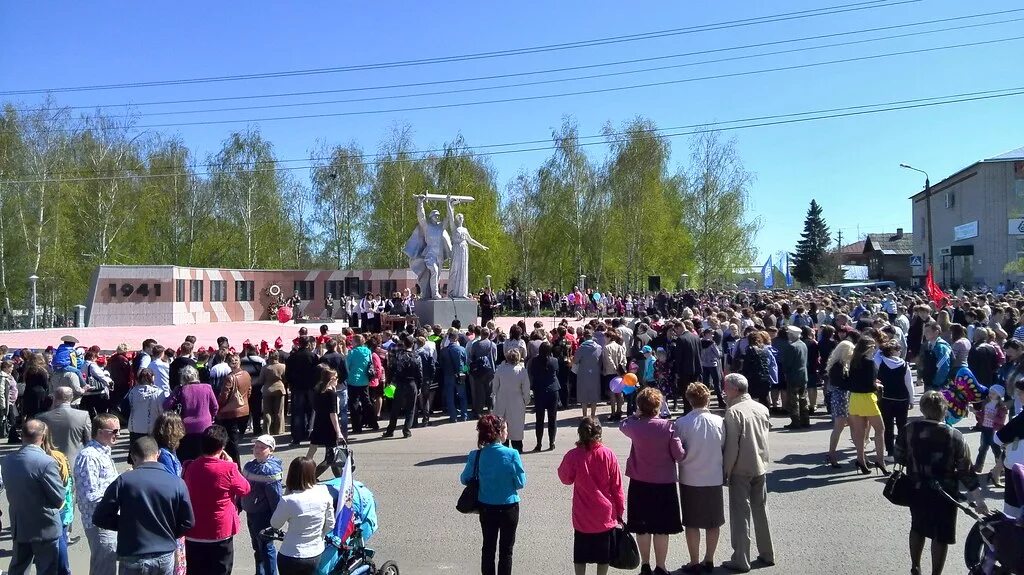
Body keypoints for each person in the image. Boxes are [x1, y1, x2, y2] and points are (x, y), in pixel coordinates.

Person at [895, 390, 985, 575]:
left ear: (923, 408)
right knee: (941, 535)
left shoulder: (909, 429)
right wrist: (979, 501)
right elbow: (966, 472)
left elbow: (899, 456)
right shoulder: (955, 436)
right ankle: (936, 573)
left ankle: (916, 566)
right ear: (945, 409)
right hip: (945, 493)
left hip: (916, 488)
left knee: (917, 527)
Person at [92, 436, 195, 575]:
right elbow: (188, 522)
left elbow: (100, 517)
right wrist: (168, 530)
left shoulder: (123, 481)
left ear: (133, 457)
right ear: (158, 454)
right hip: (165, 554)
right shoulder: (177, 482)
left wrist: (124, 526)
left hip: (133, 555)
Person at [620, 387, 685, 575]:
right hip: (664, 483)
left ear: (640, 406)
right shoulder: (668, 426)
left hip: (640, 482)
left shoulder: (634, 426)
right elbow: (679, 455)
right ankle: (661, 566)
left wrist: (637, 414)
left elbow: (623, 424)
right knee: (662, 528)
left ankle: (645, 564)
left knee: (642, 527)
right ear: (658, 406)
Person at [460, 415, 527, 575]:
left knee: (488, 549)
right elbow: (521, 483)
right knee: (506, 551)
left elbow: (464, 479)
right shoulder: (512, 454)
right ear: (498, 432)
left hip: (486, 507)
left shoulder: (476, 455)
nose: (507, 432)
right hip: (509, 507)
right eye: (505, 429)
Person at [721, 374, 774, 573]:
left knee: (740, 515)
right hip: (760, 464)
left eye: (726, 387)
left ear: (734, 389)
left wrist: (726, 471)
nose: (724, 391)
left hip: (740, 469)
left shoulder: (734, 412)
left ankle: (741, 559)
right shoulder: (762, 408)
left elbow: (732, 447)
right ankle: (767, 553)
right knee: (761, 510)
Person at [557, 417, 625, 575]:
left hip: (582, 515)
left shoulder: (573, 455)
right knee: (604, 556)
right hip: (604, 515)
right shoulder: (608, 455)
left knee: (580, 555)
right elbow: (617, 487)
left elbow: (565, 478)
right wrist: (620, 511)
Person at [182, 425, 251, 575]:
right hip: (220, 532)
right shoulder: (228, 468)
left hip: (194, 532)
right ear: (222, 446)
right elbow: (245, 489)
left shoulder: (189, 467)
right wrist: (232, 464)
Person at [1, 420, 66, 575]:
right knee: (47, 569)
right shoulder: (46, 462)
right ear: (43, 437)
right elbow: (59, 498)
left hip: (20, 524)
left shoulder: (7, 460)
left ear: (22, 435)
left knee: (18, 568)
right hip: (45, 527)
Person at [673, 383, 726, 573]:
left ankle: (694, 561)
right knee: (713, 522)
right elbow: (723, 445)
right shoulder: (719, 421)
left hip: (690, 477)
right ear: (708, 399)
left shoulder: (682, 423)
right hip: (713, 476)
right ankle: (709, 559)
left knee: (692, 522)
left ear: (689, 400)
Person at [74, 413, 122, 575]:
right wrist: (119, 500)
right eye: (114, 431)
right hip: (100, 523)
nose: (118, 435)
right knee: (104, 568)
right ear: (100, 432)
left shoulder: (103, 452)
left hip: (108, 519)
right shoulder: (89, 456)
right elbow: (90, 495)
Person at [270, 457, 336, 575]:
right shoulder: (324, 491)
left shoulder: (288, 500)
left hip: (291, 553)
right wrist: (319, 536)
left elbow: (275, 524)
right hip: (315, 552)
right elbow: (330, 524)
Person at [242, 435, 284, 575]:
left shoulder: (271, 471)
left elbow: (275, 498)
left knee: (266, 547)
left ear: (271, 450)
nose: (258, 450)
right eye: (256, 446)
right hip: (251, 512)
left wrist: (276, 519)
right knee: (257, 547)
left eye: (262, 447)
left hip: (263, 515)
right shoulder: (249, 465)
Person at [847, 337, 888, 475]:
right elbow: (871, 384)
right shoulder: (870, 363)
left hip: (854, 398)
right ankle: (880, 460)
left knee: (860, 432)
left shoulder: (853, 361)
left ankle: (861, 459)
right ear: (869, 348)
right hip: (867, 398)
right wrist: (877, 384)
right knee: (880, 429)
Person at [164, 365, 218, 463]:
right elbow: (215, 407)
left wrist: (175, 391)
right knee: (203, 458)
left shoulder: (180, 390)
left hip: (185, 429)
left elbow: (166, 405)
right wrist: (212, 418)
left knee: (186, 459)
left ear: (183, 378)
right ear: (196, 376)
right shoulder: (207, 387)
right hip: (205, 427)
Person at [41, 426, 74, 575]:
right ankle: (63, 570)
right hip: (60, 503)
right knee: (60, 537)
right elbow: (67, 481)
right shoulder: (58, 456)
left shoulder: (35, 458)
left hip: (42, 506)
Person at [877, 339, 915, 461]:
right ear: (895, 351)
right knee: (902, 426)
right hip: (902, 398)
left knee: (887, 426)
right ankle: (904, 450)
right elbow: (909, 384)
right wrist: (912, 399)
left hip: (885, 398)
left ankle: (890, 452)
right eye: (899, 349)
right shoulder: (904, 365)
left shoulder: (880, 362)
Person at [37, 385, 91, 464]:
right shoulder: (83, 415)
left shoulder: (41, 418)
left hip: (48, 462)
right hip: (75, 462)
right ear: (71, 398)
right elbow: (88, 441)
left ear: (54, 397)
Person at [306, 365, 344, 478]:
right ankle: (314, 476)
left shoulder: (318, 390)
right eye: (336, 378)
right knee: (331, 455)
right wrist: (338, 432)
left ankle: (304, 473)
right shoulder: (331, 394)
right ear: (332, 379)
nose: (338, 380)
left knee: (312, 451)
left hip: (318, 424)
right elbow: (333, 414)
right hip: (329, 426)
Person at [383, 334, 423, 439]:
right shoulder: (417, 356)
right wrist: (419, 386)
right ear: (413, 344)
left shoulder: (398, 356)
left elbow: (391, 369)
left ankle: (390, 430)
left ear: (404, 344)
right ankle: (406, 430)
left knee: (395, 408)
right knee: (410, 408)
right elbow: (420, 373)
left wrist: (390, 382)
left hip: (400, 383)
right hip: (412, 383)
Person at [216, 353, 252, 467]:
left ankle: (235, 466)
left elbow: (223, 397)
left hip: (231, 413)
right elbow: (249, 391)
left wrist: (218, 407)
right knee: (236, 439)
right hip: (244, 410)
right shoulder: (246, 374)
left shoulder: (229, 377)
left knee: (232, 443)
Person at [492, 348, 531, 453]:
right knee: (516, 428)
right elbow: (526, 389)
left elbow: (495, 386)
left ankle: (504, 450)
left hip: (502, 401)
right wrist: (526, 401)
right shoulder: (522, 371)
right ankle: (517, 450)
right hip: (517, 402)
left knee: (502, 427)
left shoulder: (500, 369)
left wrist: (494, 398)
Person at [824, 341, 854, 468]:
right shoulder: (838, 366)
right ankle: (831, 453)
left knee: (852, 426)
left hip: (843, 397)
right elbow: (842, 384)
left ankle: (860, 454)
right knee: (839, 427)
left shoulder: (840, 364)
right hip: (840, 398)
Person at [286, 337, 320, 445]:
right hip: (310, 387)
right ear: (308, 344)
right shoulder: (313, 356)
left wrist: (291, 384)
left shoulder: (292, 357)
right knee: (312, 411)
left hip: (297, 387)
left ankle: (297, 437)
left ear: (299, 344)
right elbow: (317, 372)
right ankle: (312, 434)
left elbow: (287, 374)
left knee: (297, 413)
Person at [529, 341, 562, 451]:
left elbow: (532, 373)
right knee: (552, 419)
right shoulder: (554, 361)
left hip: (540, 391)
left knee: (539, 419)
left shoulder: (534, 361)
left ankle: (539, 444)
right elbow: (557, 372)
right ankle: (552, 442)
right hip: (553, 390)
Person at [124, 368, 169, 446]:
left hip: (134, 429)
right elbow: (162, 412)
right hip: (152, 429)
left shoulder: (132, 392)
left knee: (135, 453)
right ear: (152, 378)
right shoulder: (158, 393)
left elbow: (126, 409)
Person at [777, 326, 810, 429]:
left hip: (793, 376)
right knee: (803, 398)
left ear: (791, 335)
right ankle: (805, 420)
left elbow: (787, 364)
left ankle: (795, 421)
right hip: (803, 375)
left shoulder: (792, 347)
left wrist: (785, 372)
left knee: (793, 400)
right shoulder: (803, 344)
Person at [344, 334, 375, 434]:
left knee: (354, 404)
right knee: (366, 401)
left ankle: (357, 427)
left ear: (356, 342)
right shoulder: (368, 351)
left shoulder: (352, 352)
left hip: (353, 380)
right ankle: (372, 422)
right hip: (365, 380)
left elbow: (347, 366)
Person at [439, 330, 470, 423]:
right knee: (462, 396)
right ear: (457, 338)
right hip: (460, 375)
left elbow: (441, 364)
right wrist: (465, 372)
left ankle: (453, 417)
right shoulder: (462, 349)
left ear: (449, 338)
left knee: (450, 397)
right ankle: (464, 415)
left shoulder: (443, 351)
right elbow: (465, 363)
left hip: (448, 376)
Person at [573, 330, 604, 420]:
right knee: (594, 394)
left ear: (585, 337)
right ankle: (593, 415)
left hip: (583, 373)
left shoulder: (581, 348)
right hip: (595, 373)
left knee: (584, 395)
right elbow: (601, 361)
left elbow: (575, 361)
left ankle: (585, 416)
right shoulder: (599, 347)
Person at [258, 350, 287, 435]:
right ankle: (278, 430)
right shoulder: (283, 366)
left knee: (267, 412)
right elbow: (286, 379)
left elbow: (261, 380)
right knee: (279, 412)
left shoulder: (265, 368)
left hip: (267, 390)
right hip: (280, 390)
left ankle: (267, 430)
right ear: (278, 357)